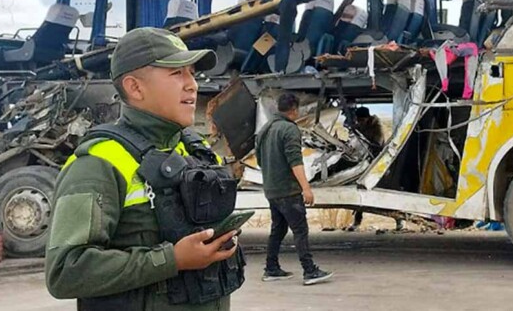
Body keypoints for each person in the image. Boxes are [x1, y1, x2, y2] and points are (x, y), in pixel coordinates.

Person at [45, 27, 246, 310]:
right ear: (135, 87)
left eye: (191, 72)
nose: (192, 84)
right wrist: (172, 259)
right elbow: (65, 271)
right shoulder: (99, 163)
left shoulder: (194, 148)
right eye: (177, 74)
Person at [257, 93, 334, 285]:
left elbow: (259, 160)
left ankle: (271, 268)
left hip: (271, 190)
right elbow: (295, 161)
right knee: (300, 230)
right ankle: (309, 271)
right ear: (294, 109)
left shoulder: (265, 129)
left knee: (278, 230)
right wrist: (306, 188)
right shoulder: (289, 129)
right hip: (288, 191)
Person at [347, 107, 405, 232]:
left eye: (361, 120)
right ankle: (357, 221)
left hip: (376, 164)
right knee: (359, 195)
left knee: (383, 195)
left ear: (367, 118)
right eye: (358, 120)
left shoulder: (376, 127)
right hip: (364, 164)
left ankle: (399, 219)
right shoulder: (360, 126)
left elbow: (377, 144)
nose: (360, 122)